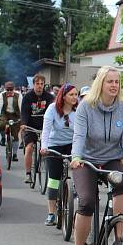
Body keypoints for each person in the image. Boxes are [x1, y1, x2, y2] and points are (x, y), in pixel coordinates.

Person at [67, 66, 123, 245]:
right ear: (101, 83)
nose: (114, 86)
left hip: (111, 159)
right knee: (87, 202)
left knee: (122, 188)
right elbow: (79, 136)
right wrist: (76, 157)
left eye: (117, 82)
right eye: (110, 81)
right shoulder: (85, 107)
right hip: (87, 160)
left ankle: (118, 239)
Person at [40, 83, 78, 226]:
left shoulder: (78, 110)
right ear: (63, 96)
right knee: (54, 178)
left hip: (72, 144)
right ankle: (51, 213)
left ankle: (74, 193)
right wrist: (44, 147)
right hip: (54, 144)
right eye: (71, 95)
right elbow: (46, 130)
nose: (75, 97)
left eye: (76, 94)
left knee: (79, 168)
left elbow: (83, 131)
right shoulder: (52, 109)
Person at [19, 74, 54, 184]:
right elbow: (24, 112)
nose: (39, 86)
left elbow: (52, 112)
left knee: (50, 150)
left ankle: (52, 173)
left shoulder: (49, 97)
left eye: (41, 84)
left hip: (44, 127)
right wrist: (24, 124)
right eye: (37, 84)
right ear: (33, 84)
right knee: (29, 148)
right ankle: (28, 174)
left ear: (44, 85)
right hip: (31, 126)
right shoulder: (27, 97)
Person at [0, 81, 23, 156]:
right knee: (1, 125)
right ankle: (3, 137)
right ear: (5, 89)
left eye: (11, 89)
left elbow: (21, 107)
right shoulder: (1, 95)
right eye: (8, 90)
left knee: (15, 135)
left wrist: (22, 117)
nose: (9, 91)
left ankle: (14, 154)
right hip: (5, 114)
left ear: (14, 89)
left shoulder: (19, 95)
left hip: (15, 115)